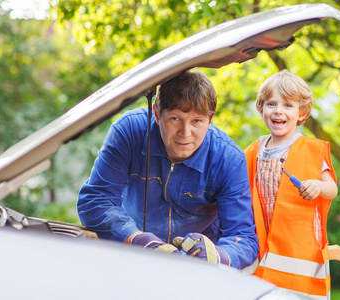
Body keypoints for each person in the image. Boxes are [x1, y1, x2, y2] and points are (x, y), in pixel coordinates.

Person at [78, 69, 258, 270]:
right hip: (133, 256)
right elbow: (95, 200)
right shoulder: (129, 131)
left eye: (197, 121)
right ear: (156, 112)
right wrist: (137, 239)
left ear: (210, 118)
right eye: (175, 118)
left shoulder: (229, 158)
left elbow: (243, 238)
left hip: (196, 269)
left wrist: (217, 255)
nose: (185, 133)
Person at [244, 69, 338, 298]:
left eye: (288, 105)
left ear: (302, 112)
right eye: (271, 104)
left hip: (298, 246)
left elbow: (332, 188)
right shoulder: (255, 150)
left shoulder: (311, 149)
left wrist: (317, 185)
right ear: (261, 108)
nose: (278, 111)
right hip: (261, 238)